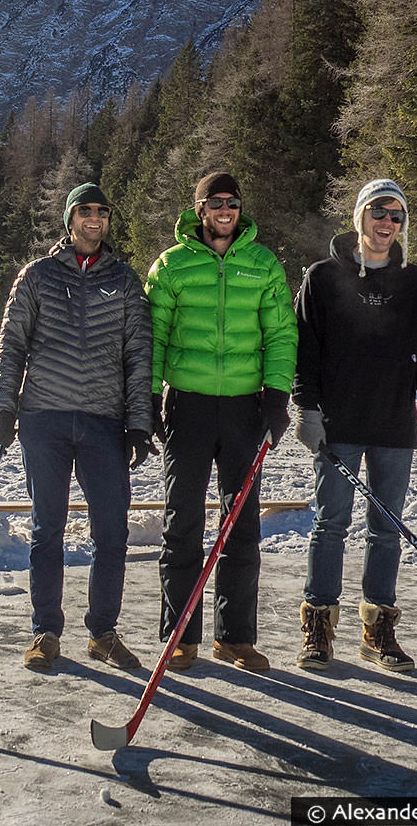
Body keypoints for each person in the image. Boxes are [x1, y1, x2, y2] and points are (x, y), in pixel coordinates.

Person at [0, 182, 156, 672]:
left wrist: (139, 422)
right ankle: (45, 630)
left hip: (104, 423)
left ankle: (103, 632)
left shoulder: (125, 282)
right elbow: (12, 345)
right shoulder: (37, 277)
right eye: (84, 211)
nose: (94, 220)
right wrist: (4, 409)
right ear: (69, 220)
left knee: (111, 532)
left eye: (101, 213)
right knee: (48, 528)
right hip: (43, 418)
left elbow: (138, 355)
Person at [291, 178, 417, 672]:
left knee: (387, 528)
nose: (387, 224)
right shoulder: (321, 277)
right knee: (330, 523)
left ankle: (378, 627)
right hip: (338, 422)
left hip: (394, 424)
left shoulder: (413, 282)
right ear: (359, 217)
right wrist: (307, 409)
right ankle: (319, 623)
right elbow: (306, 353)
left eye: (396, 216)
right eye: (379, 213)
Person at [145, 172, 297, 672]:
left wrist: (276, 397)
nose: (225, 210)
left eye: (232, 202)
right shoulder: (172, 264)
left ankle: (235, 639)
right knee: (181, 522)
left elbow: (279, 334)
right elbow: (154, 338)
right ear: (200, 209)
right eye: (216, 203)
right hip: (186, 405)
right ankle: (180, 636)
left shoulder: (262, 263)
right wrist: (147, 398)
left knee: (241, 525)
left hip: (244, 408)